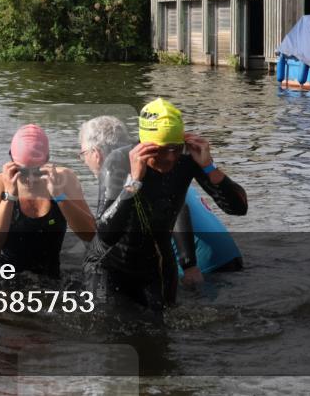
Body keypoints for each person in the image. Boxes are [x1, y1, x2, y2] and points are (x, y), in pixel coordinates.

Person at [82, 99, 248, 312]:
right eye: (160, 151)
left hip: (157, 266)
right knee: (111, 336)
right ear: (143, 144)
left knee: (162, 338)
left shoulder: (188, 160)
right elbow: (106, 234)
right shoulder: (119, 161)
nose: (169, 158)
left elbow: (238, 209)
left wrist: (209, 167)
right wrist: (134, 182)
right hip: (109, 267)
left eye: (175, 149)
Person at [0, 125, 95, 279]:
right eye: (23, 172)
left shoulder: (65, 180)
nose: (31, 179)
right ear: (11, 160)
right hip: (5, 282)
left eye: (37, 172)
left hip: (51, 279)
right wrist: (10, 196)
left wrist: (58, 195)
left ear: (47, 160)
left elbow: (90, 234)